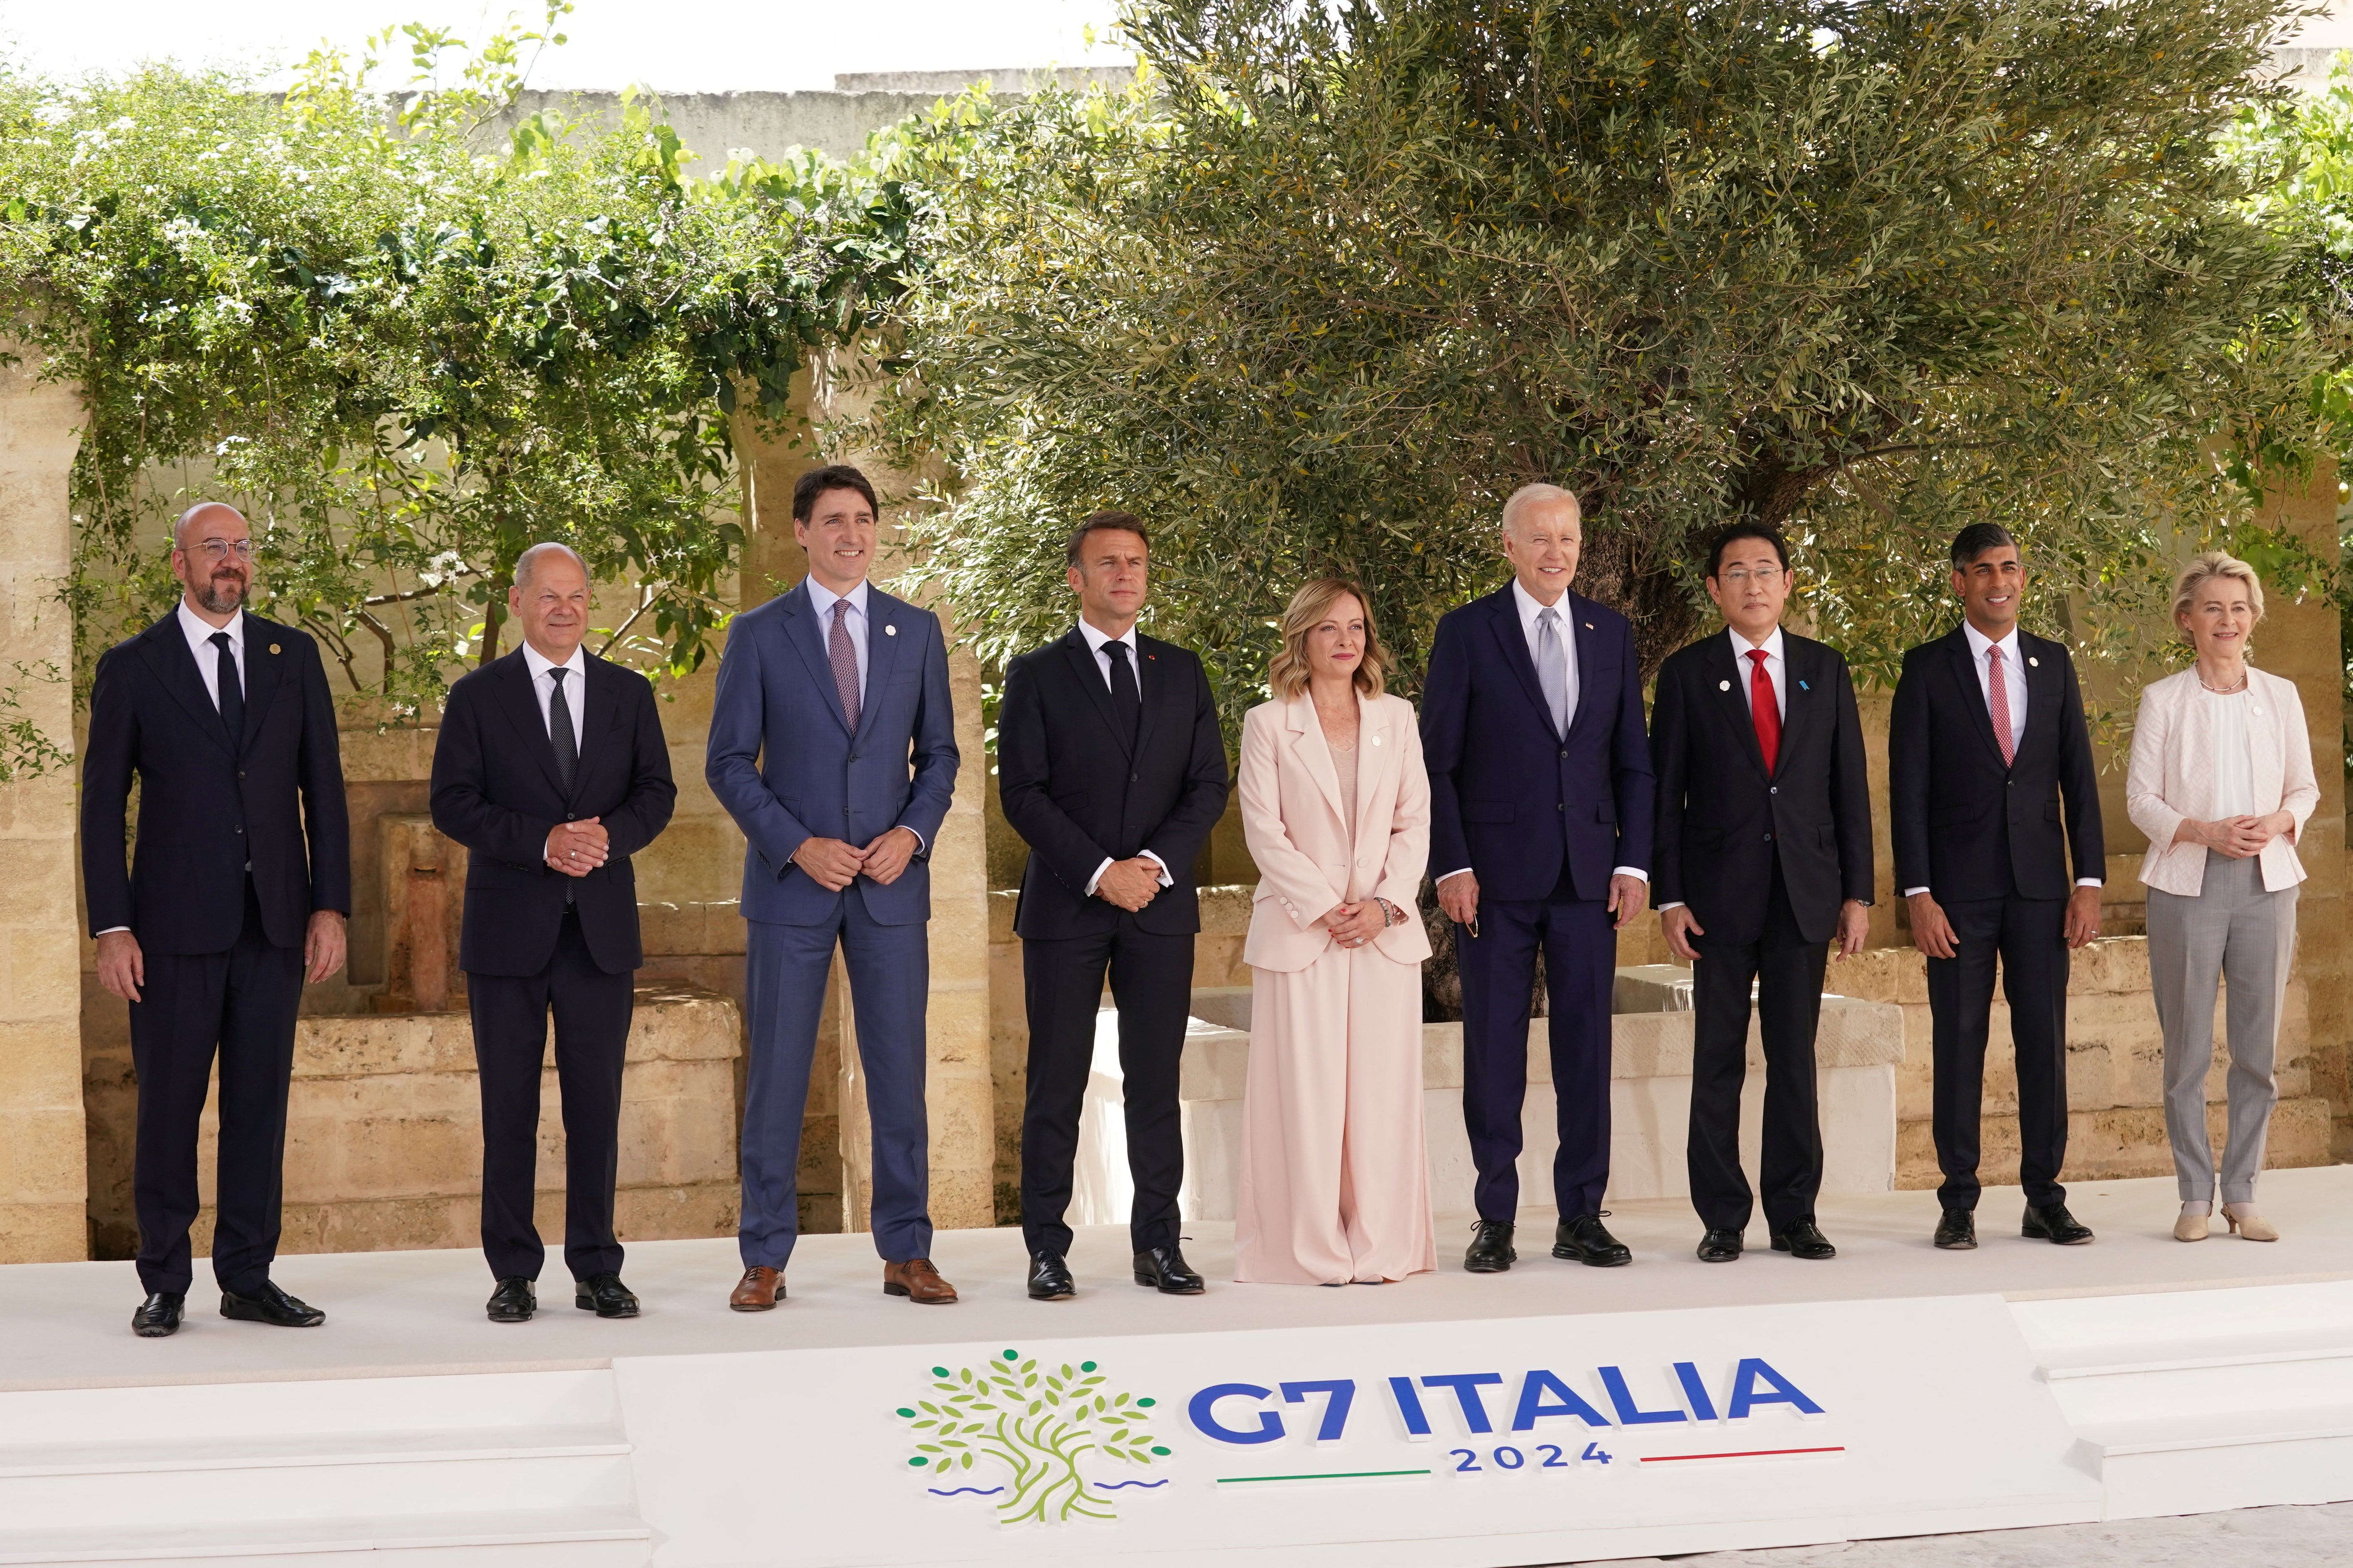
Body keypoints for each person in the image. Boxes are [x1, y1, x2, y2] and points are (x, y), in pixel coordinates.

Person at [82, 503, 351, 1338]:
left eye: (240, 548)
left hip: (273, 925)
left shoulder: (292, 657)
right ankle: (165, 1279)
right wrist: (111, 927)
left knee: (259, 1107)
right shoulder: (133, 668)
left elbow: (325, 792)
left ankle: (247, 1275)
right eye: (213, 549)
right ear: (180, 565)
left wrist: (330, 905)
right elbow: (100, 810)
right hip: (168, 932)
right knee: (167, 1106)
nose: (229, 562)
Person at [706, 464, 960, 1309]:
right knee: (777, 1075)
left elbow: (942, 757)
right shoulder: (758, 633)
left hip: (890, 888)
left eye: (863, 518)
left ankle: (907, 1251)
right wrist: (796, 844)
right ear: (801, 533)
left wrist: (910, 836)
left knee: (898, 1073)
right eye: (833, 520)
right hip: (793, 888)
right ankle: (765, 1256)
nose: (851, 533)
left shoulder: (915, 632)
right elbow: (729, 762)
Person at [429, 543, 678, 1322]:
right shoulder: (478, 698)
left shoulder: (627, 694)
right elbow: (453, 803)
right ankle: (512, 1271)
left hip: (598, 932)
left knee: (595, 1105)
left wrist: (607, 839)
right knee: (509, 1107)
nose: (565, 608)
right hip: (508, 931)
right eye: (549, 596)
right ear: (519, 602)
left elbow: (657, 791)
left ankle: (597, 1266)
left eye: (576, 595)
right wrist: (544, 840)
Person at [1421, 483, 1655, 1273]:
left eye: (1569, 538)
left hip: (1590, 878)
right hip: (1491, 881)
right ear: (1509, 546)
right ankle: (1494, 1219)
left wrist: (1631, 863)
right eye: (1541, 538)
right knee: (1494, 1051)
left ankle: (1581, 1215)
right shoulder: (1465, 633)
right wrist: (1451, 864)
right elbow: (1438, 763)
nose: (1557, 552)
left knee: (1585, 1050)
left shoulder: (1609, 632)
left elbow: (1631, 760)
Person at [997, 513, 1230, 1300]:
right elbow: (1021, 794)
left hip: (1159, 907)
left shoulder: (1182, 671)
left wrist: (1153, 867)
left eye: (1135, 562)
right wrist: (1101, 871)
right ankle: (1046, 1249)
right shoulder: (1035, 674)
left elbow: (1207, 786)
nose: (1125, 575)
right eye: (1107, 564)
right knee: (1055, 1081)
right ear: (1076, 578)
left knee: (1154, 1080)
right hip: (1068, 906)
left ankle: (1158, 1245)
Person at [1651, 524, 1873, 1264]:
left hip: (1805, 894)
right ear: (1714, 589)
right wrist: (1669, 896)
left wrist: (1858, 895)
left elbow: (1848, 791)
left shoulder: (1824, 669)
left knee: (1793, 1057)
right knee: (1716, 1058)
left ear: (1786, 584)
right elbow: (1666, 797)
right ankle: (1720, 1218)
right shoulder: (1687, 675)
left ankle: (1792, 1214)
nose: (1752, 585)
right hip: (1715, 898)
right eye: (1736, 573)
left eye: (1765, 571)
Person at [1890, 523, 2105, 1250]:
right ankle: (1957, 1203)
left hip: (2043, 890)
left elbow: (2077, 779)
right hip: (1956, 895)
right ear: (1960, 582)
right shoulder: (1925, 668)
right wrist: (1916, 894)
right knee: (1959, 1043)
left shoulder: (2052, 663)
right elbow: (1907, 790)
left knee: (2042, 1043)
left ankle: (2045, 1197)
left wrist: (2089, 881)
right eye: (1982, 570)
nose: (1998, 581)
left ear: (2023, 576)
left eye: (2009, 567)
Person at [1232, 580, 1436, 1285]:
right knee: (1308, 1099)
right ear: (1301, 639)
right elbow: (1264, 831)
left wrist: (1383, 905)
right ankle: (1309, 1250)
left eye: (1355, 627)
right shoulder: (1268, 724)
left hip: (1383, 935)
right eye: (1329, 629)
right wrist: (1325, 906)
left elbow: (1415, 823)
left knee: (1380, 1098)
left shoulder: (1398, 718)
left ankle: (1382, 1247)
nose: (1346, 640)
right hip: (1302, 934)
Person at [2126, 553, 2316, 1243]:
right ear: (2187, 621)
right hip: (2187, 884)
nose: (2227, 620)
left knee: (2255, 1049)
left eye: (2238, 608)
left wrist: (2277, 823)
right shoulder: (2162, 700)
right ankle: (2192, 1198)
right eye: (2212, 608)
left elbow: (2304, 788)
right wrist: (2202, 831)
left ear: (2253, 617)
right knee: (2185, 1052)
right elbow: (2139, 799)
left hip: (2269, 886)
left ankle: (2241, 1192)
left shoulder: (2283, 696)